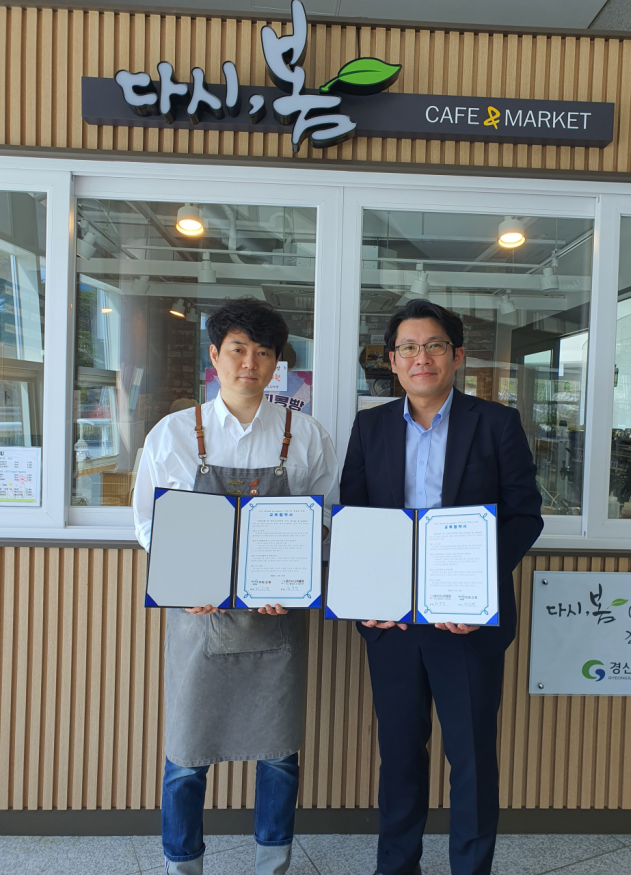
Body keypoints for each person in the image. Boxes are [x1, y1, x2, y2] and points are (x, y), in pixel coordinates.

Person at [133, 299, 339, 875]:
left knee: (279, 756)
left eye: (263, 352)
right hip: (197, 619)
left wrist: (294, 579)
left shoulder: (305, 435)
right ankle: (182, 864)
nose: (250, 363)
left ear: (277, 363)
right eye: (238, 349)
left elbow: (326, 517)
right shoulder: (174, 434)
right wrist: (186, 578)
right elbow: (148, 523)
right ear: (215, 356)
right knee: (185, 757)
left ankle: (272, 864)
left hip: (277, 620)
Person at [340, 299, 543, 875]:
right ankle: (396, 866)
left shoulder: (496, 423)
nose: (421, 358)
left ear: (456, 356)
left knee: (471, 760)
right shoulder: (371, 426)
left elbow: (524, 516)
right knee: (400, 758)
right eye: (408, 347)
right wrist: (368, 598)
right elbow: (355, 518)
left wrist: (478, 592)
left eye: (433, 346)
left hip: (467, 625)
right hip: (393, 624)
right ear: (392, 360)